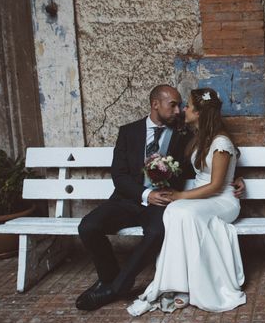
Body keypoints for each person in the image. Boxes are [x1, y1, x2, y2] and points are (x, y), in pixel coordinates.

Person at [75, 85, 244, 311]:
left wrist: (235, 177)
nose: (179, 111)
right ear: (156, 104)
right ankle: (110, 278)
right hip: (128, 199)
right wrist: (146, 194)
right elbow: (119, 175)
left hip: (163, 202)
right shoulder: (129, 132)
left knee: (157, 231)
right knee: (88, 226)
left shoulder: (185, 134)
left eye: (183, 105)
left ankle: (117, 286)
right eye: (173, 105)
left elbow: (217, 157)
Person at [127, 87, 245, 316]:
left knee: (183, 211)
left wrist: (180, 196)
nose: (184, 110)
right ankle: (178, 284)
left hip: (223, 200)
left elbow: (216, 185)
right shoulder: (199, 138)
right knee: (173, 212)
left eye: (189, 106)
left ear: (200, 113)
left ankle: (195, 285)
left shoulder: (220, 142)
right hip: (204, 197)